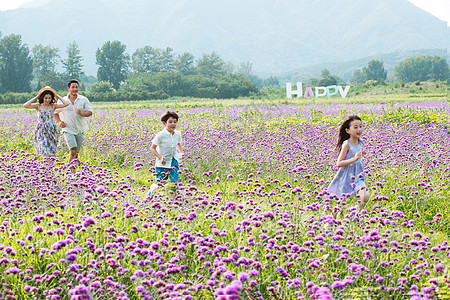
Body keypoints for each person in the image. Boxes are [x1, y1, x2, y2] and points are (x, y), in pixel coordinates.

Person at [327, 115, 370, 216]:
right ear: (347, 130)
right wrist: (353, 159)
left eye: (360, 126)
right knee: (340, 206)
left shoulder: (360, 143)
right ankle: (330, 223)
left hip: (358, 176)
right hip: (346, 177)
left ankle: (355, 213)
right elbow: (339, 163)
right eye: (355, 127)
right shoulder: (347, 144)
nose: (359, 129)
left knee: (365, 196)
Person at [54, 79, 93, 167]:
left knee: (76, 153)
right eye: (73, 87)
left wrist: (82, 113)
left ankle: (74, 171)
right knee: (73, 150)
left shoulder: (83, 99)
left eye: (76, 87)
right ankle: (72, 173)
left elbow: (90, 112)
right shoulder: (63, 100)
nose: (75, 89)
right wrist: (59, 122)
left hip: (79, 129)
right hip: (68, 129)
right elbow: (55, 112)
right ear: (68, 88)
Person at [23, 86, 69, 159]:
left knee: (51, 154)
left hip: (51, 130)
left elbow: (66, 104)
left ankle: (50, 169)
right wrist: (36, 97)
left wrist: (57, 95)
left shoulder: (53, 106)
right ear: (42, 98)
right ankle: (45, 168)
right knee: (45, 152)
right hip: (41, 130)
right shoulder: (38, 106)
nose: (47, 100)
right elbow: (25, 105)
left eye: (49, 98)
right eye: (46, 98)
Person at [147, 111, 184, 199]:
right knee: (161, 184)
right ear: (164, 123)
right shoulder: (160, 135)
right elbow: (152, 148)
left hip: (174, 161)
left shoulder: (178, 134)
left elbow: (178, 144)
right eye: (170, 122)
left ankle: (175, 199)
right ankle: (152, 192)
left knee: (174, 182)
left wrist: (181, 153)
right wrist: (160, 157)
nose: (173, 124)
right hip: (162, 163)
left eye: (175, 122)